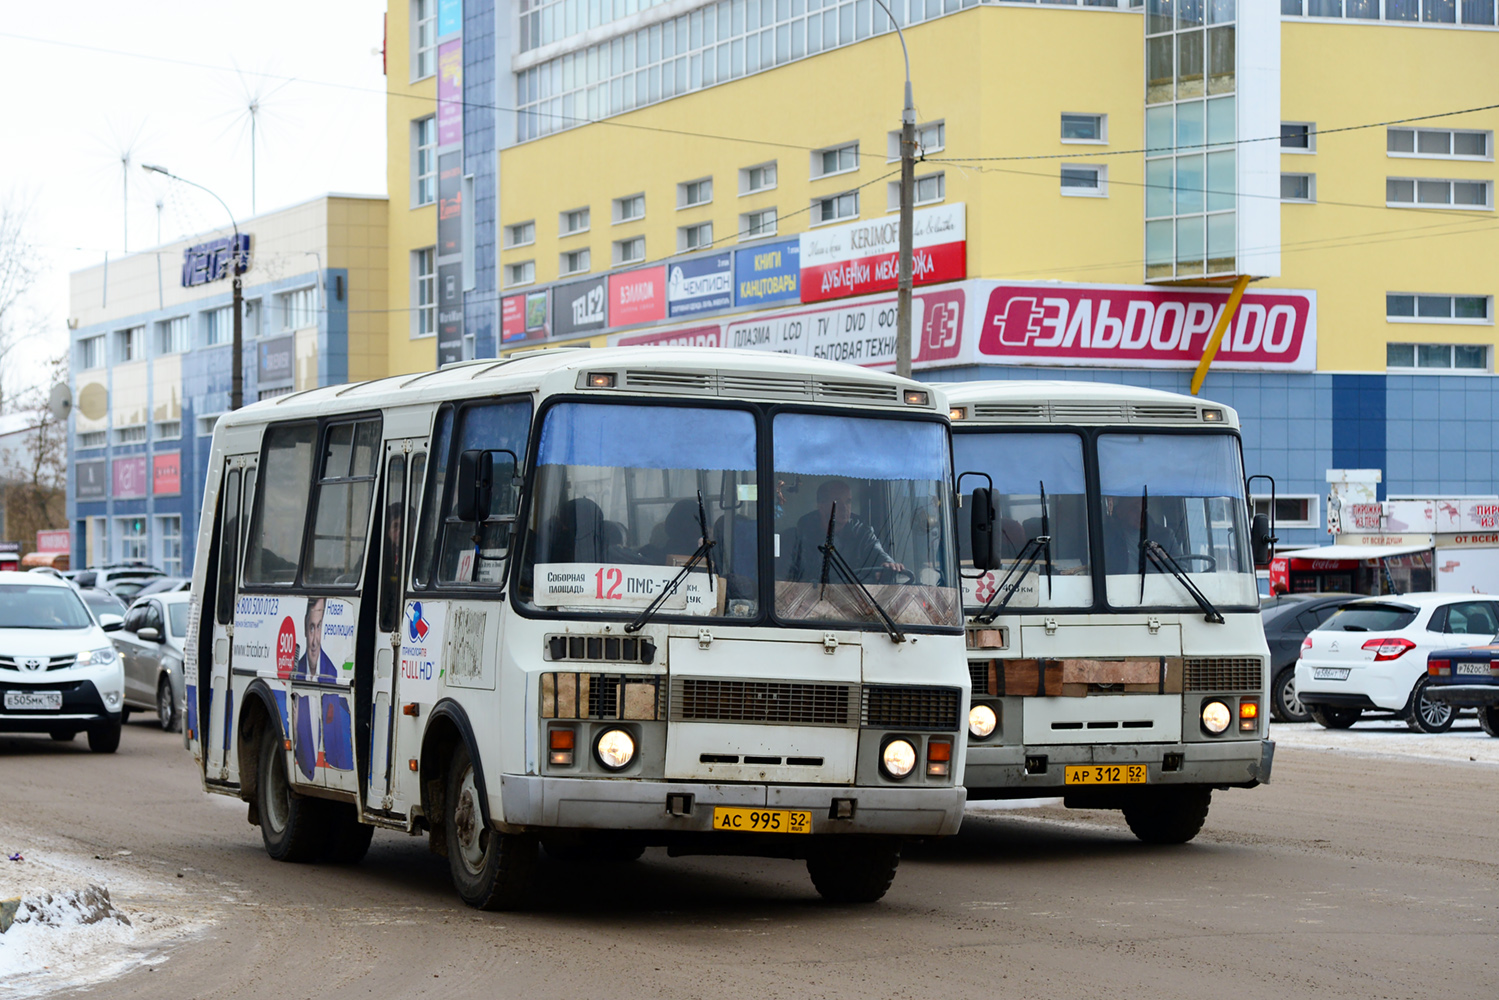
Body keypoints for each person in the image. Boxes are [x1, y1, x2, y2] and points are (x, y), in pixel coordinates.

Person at [786, 479, 905, 583]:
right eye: (837, 502)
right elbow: (791, 574)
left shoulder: (862, 533)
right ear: (821, 506)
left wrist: (889, 564)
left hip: (855, 600)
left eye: (848, 501)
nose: (845, 508)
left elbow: (878, 554)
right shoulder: (802, 535)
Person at [1101, 494, 1182, 575]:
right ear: (1120, 511)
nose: (1140, 513)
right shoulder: (1105, 536)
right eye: (1134, 508)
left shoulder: (1165, 536)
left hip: (1156, 586)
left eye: (1143, 508)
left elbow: (1184, 571)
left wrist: (1163, 561)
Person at [295, 597, 338, 683]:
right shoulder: (296, 672)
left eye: (318, 627)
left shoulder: (331, 672)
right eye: (311, 628)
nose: (315, 641)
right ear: (305, 627)